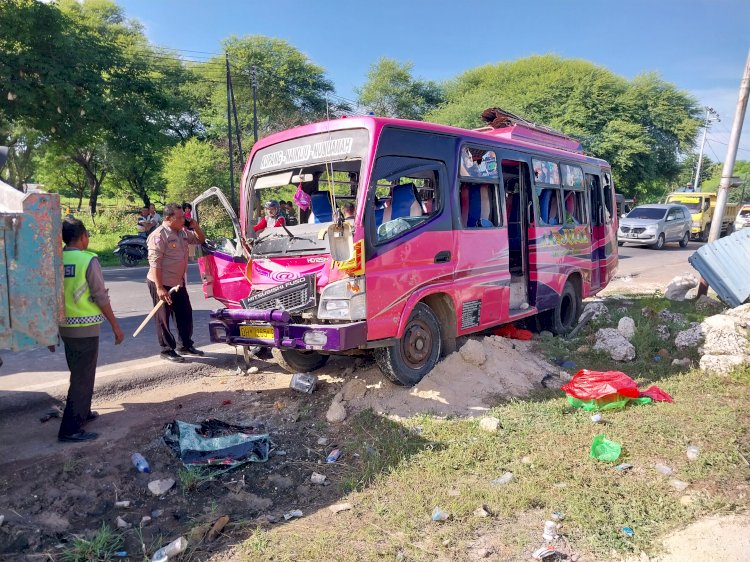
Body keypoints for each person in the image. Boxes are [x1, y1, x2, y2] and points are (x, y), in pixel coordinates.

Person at [59, 218, 124, 442]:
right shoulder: (88, 259)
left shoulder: (55, 259)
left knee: (78, 372)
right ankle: (70, 428)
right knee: (82, 378)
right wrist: (115, 325)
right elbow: (99, 295)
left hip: (65, 327)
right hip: (85, 327)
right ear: (84, 236)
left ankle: (83, 412)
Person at [146, 203, 206, 362]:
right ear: (168, 218)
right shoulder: (159, 236)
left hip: (178, 282)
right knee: (163, 317)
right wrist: (159, 288)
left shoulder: (183, 232)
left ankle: (185, 345)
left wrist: (195, 226)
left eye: (183, 217)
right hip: (162, 282)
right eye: (179, 218)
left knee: (185, 314)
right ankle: (166, 350)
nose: (183, 220)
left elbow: (200, 240)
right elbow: (155, 263)